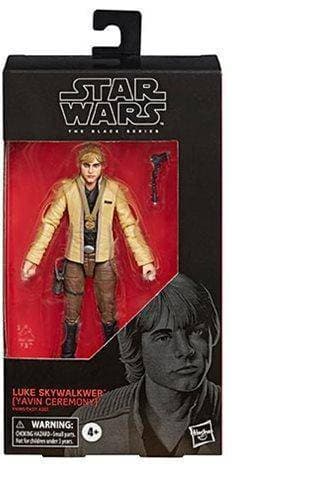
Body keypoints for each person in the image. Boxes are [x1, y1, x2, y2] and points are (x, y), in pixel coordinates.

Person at [21, 143, 156, 358]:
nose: (91, 170)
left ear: (102, 166)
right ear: (79, 166)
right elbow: (49, 223)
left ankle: (114, 354)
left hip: (104, 257)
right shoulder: (68, 189)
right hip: (74, 257)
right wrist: (33, 259)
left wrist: (145, 261)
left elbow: (129, 225)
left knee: (108, 308)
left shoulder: (113, 190)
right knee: (71, 309)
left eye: (95, 165)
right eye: (86, 165)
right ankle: (68, 353)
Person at [67, 274, 221, 456]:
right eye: (163, 337)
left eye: (196, 332)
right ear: (136, 346)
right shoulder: (88, 423)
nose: (185, 350)